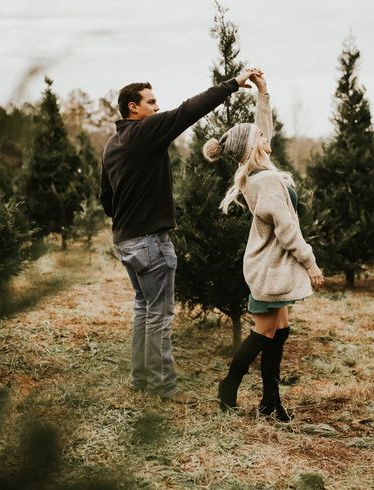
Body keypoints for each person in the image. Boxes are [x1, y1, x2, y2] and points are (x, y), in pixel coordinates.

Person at [100, 68, 261, 404]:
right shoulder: (144, 131)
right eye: (152, 102)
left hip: (125, 240)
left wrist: (129, 219)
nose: (158, 108)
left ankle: (139, 379)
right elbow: (190, 110)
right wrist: (233, 83)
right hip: (149, 241)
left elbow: (106, 199)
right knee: (159, 314)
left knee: (144, 309)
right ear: (133, 108)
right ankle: (163, 387)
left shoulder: (112, 145)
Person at [202, 72, 324, 421]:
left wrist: (263, 95)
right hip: (270, 265)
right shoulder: (268, 180)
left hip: (273, 264)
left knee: (279, 330)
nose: (264, 135)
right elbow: (287, 230)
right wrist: (311, 263)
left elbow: (260, 131)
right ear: (254, 147)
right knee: (264, 332)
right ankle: (229, 385)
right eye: (259, 136)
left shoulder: (257, 171)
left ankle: (271, 401)